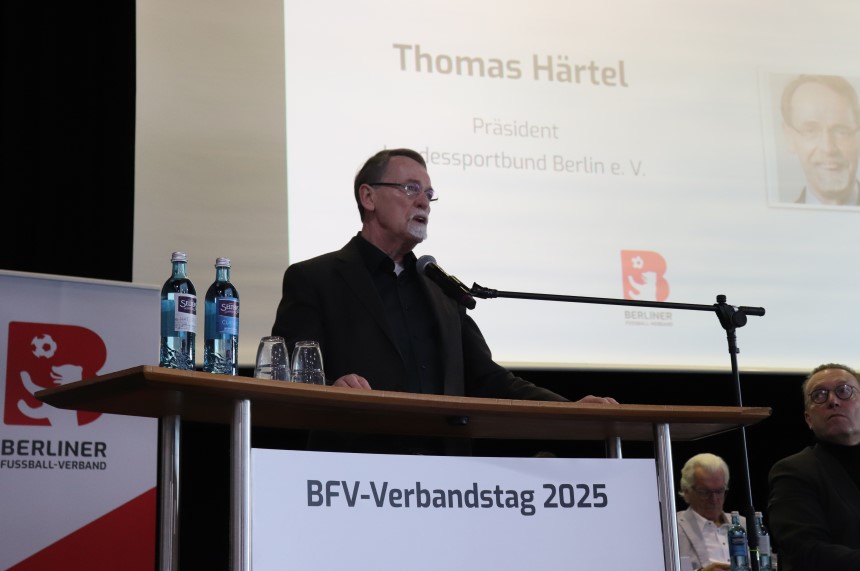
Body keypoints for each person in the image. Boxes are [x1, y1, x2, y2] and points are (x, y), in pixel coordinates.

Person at [271, 148, 617, 452]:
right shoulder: (315, 279)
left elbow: (488, 378)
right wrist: (333, 387)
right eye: (411, 189)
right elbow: (287, 378)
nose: (423, 201)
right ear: (369, 197)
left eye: (429, 194)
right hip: (353, 477)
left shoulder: (440, 289)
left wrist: (571, 408)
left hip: (444, 482)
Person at [767, 363, 860, 570]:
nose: (833, 401)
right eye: (819, 395)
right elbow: (807, 551)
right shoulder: (793, 472)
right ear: (809, 419)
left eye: (844, 391)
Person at [780, 74, 860, 206]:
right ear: (789, 137)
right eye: (810, 131)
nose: (828, 148)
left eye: (841, 131)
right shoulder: (777, 223)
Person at [676, 453, 741, 571]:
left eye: (719, 491)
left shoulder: (744, 524)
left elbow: (769, 563)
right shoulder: (672, 528)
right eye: (704, 492)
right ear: (686, 492)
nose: (714, 499)